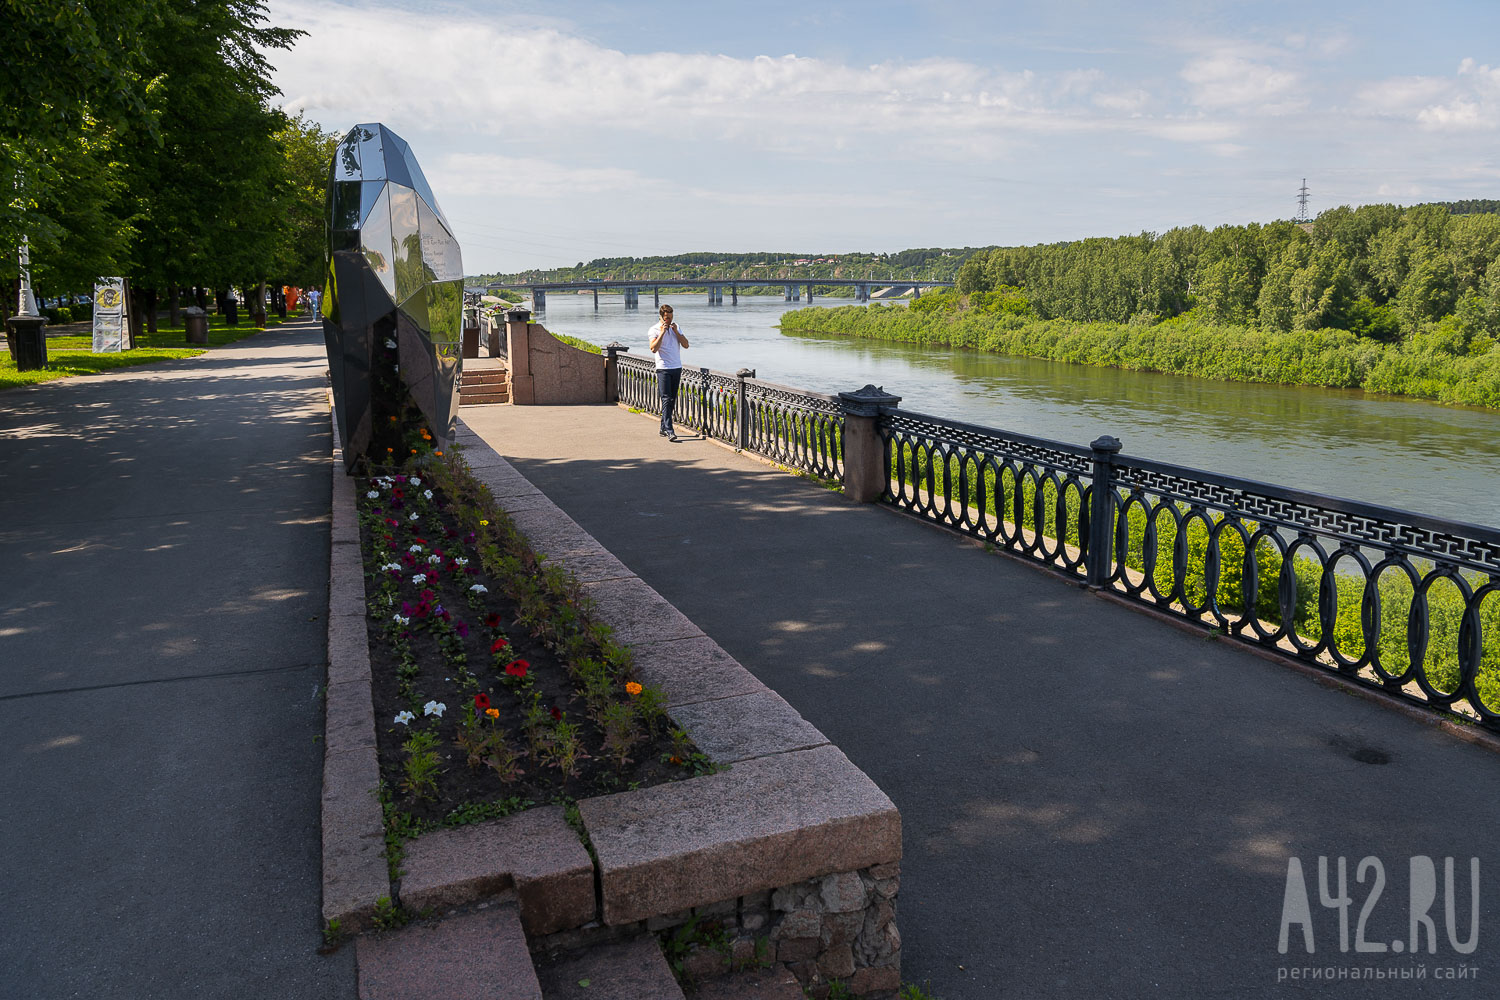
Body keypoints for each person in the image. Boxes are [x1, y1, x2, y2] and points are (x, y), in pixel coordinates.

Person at [649, 303, 689, 441]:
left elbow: (686, 345)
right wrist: (662, 333)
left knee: (672, 400)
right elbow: (653, 349)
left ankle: (662, 427)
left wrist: (676, 331)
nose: (669, 321)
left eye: (671, 318)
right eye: (667, 318)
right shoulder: (653, 329)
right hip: (663, 368)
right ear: (661, 317)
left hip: (676, 367)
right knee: (666, 398)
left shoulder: (676, 327)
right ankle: (669, 430)